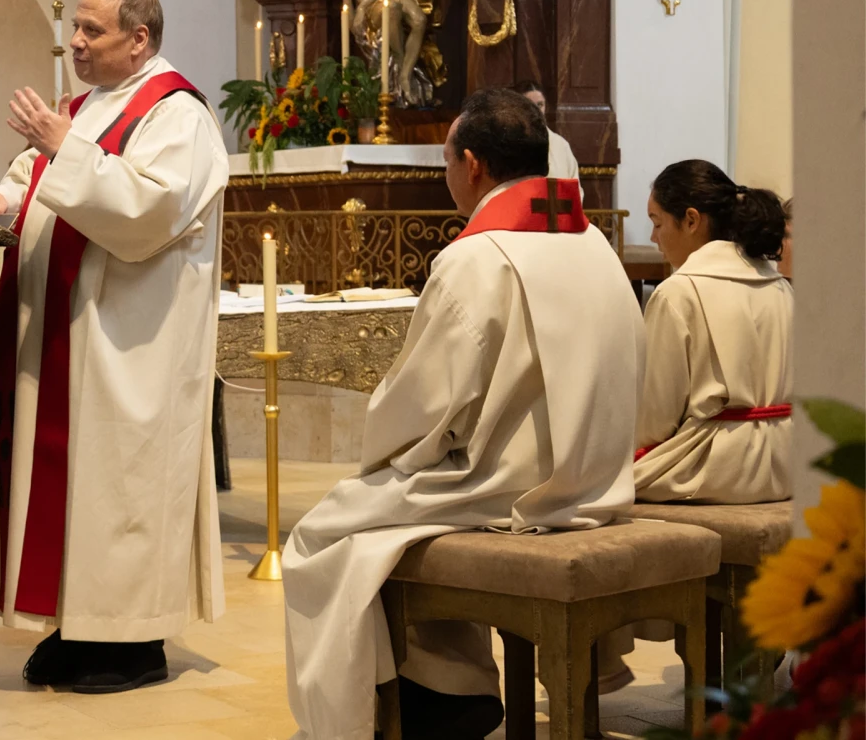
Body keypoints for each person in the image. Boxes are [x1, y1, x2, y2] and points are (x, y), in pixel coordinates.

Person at [281, 88, 644, 740]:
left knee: (325, 534)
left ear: (471, 164)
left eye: (445, 162)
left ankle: (401, 707)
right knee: (400, 520)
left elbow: (425, 405)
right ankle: (449, 686)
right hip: (599, 476)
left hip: (516, 490)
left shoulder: (478, 258)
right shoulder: (596, 245)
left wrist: (389, 450)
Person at [0, 0, 229, 694]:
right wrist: (1, 194)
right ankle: (74, 626)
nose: (75, 42)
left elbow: (148, 211)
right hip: (64, 337)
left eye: (92, 30)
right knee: (73, 488)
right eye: (76, 28)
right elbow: (35, 179)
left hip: (130, 344)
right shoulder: (85, 108)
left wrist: (63, 147)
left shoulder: (178, 115)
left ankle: (133, 640)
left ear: (139, 38)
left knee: (121, 488)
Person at [633, 161, 793, 503]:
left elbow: (656, 418)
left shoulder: (679, 292)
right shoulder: (780, 286)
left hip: (717, 467)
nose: (652, 237)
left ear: (691, 220)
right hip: (788, 461)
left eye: (657, 222)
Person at [512, 80, 580, 186]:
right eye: (529, 105)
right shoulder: (508, 143)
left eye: (540, 105)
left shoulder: (561, 145)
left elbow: (574, 188)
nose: (536, 110)